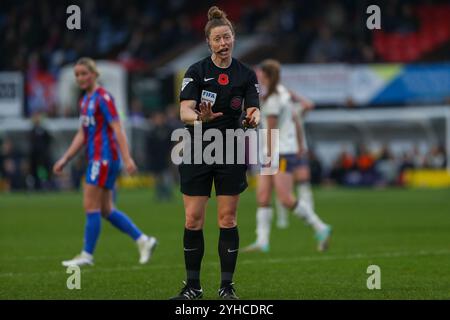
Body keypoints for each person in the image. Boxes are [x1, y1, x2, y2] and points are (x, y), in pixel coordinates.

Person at [170, 6, 260, 300]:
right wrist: (200, 119)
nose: (223, 43)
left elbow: (253, 107)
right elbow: (184, 110)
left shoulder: (246, 74)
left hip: (231, 146)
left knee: (227, 219)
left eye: (227, 37)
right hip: (198, 146)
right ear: (208, 42)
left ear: (234, 38)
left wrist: (252, 118)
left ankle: (226, 287)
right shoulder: (196, 72)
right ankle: (193, 287)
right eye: (217, 39)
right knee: (193, 219)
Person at [53, 57, 157, 267]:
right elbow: (82, 134)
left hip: (104, 159)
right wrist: (65, 158)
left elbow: (118, 129)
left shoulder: (103, 98)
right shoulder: (85, 100)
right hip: (98, 158)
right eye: (77, 75)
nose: (80, 78)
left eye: (84, 73)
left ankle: (86, 255)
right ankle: (143, 240)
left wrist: (127, 158)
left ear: (94, 74)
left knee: (90, 206)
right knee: (106, 210)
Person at [242, 59, 331, 254]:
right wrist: (299, 143)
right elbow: (296, 120)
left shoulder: (273, 99)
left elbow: (271, 130)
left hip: (278, 153)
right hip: (277, 150)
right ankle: (262, 241)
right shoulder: (282, 93)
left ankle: (320, 226)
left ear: (266, 76)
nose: (256, 76)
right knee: (263, 196)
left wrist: (268, 154)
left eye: (259, 74)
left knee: (285, 198)